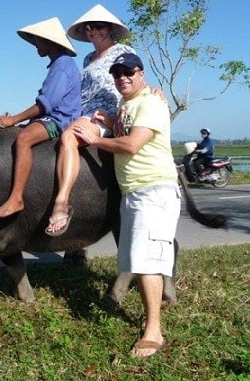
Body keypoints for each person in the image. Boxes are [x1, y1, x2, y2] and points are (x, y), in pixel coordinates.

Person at [73, 52, 179, 358]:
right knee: (136, 258)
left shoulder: (152, 103)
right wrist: (110, 124)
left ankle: (153, 331)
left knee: (148, 264)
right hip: (133, 191)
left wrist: (94, 139)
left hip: (154, 191)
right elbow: (126, 133)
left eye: (129, 72)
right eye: (117, 74)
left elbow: (131, 144)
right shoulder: (126, 105)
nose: (123, 78)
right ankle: (151, 322)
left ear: (141, 73)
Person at [45, 4, 135, 236]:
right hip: (81, 112)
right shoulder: (87, 59)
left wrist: (154, 92)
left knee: (68, 137)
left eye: (98, 26)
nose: (93, 31)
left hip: (103, 114)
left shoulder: (122, 51)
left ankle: (61, 203)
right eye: (88, 28)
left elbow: (135, 80)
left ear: (110, 29)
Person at [0, 17, 81, 218]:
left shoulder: (63, 66)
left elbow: (45, 104)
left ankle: (16, 199)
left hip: (60, 120)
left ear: (50, 41)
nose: (35, 46)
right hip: (54, 116)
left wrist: (14, 119)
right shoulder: (58, 64)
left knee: (23, 139)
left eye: (38, 41)